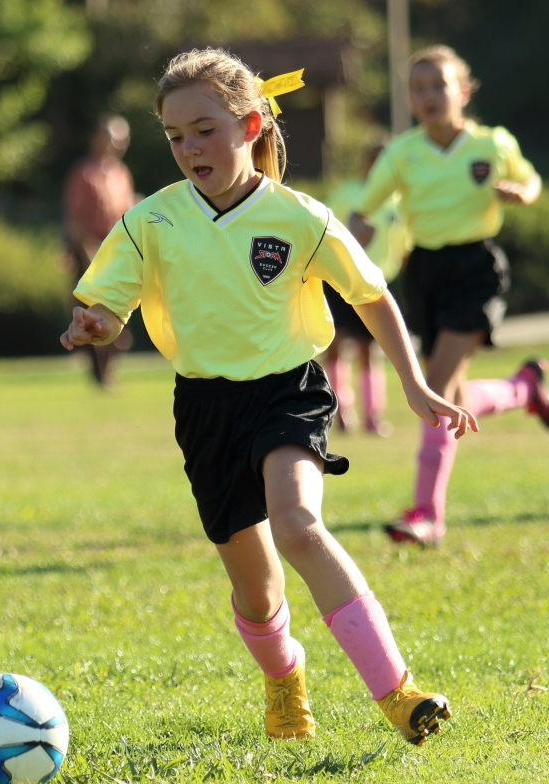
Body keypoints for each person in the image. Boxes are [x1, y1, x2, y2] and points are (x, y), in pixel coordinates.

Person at [61, 48, 476, 745]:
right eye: (175, 136)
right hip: (204, 410)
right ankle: (284, 678)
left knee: (298, 526)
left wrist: (413, 381)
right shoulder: (150, 220)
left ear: (250, 125)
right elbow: (108, 301)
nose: (189, 148)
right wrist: (96, 322)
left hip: (288, 392)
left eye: (204, 130)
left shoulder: (298, 217)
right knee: (257, 595)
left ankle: (399, 693)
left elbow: (371, 295)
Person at [349, 45, 549, 547]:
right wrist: (349, 242)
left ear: (462, 92)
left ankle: (427, 515)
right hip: (425, 274)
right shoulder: (402, 154)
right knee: (454, 399)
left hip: (475, 269)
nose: (428, 95)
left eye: (438, 85)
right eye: (417, 88)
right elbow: (364, 210)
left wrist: (522, 192)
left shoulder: (491, 143)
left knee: (435, 387)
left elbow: (530, 179)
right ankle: (524, 388)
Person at [320, 145, 410, 435]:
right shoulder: (346, 193)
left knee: (369, 348)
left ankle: (373, 414)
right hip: (341, 280)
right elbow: (324, 232)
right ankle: (339, 411)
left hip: (378, 283)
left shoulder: (397, 202)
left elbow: (403, 245)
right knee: (334, 343)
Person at [62, 115, 139, 388]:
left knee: (119, 317)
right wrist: (92, 261)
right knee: (93, 319)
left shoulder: (121, 173)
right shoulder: (84, 173)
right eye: (112, 138)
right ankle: (101, 376)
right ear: (96, 139)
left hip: (116, 254)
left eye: (122, 139)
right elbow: (76, 222)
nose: (118, 144)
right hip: (90, 255)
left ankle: (108, 373)